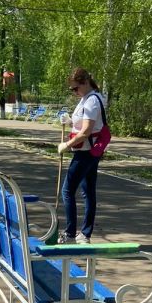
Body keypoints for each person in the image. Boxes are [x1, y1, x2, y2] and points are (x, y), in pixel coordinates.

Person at [56, 67, 107, 245]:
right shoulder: (86, 98)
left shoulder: (92, 100)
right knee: (88, 192)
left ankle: (70, 234)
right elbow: (82, 123)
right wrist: (70, 121)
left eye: (75, 88)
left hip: (86, 151)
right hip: (88, 151)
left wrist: (66, 145)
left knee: (68, 190)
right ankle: (84, 234)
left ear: (85, 83)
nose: (74, 92)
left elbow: (86, 131)